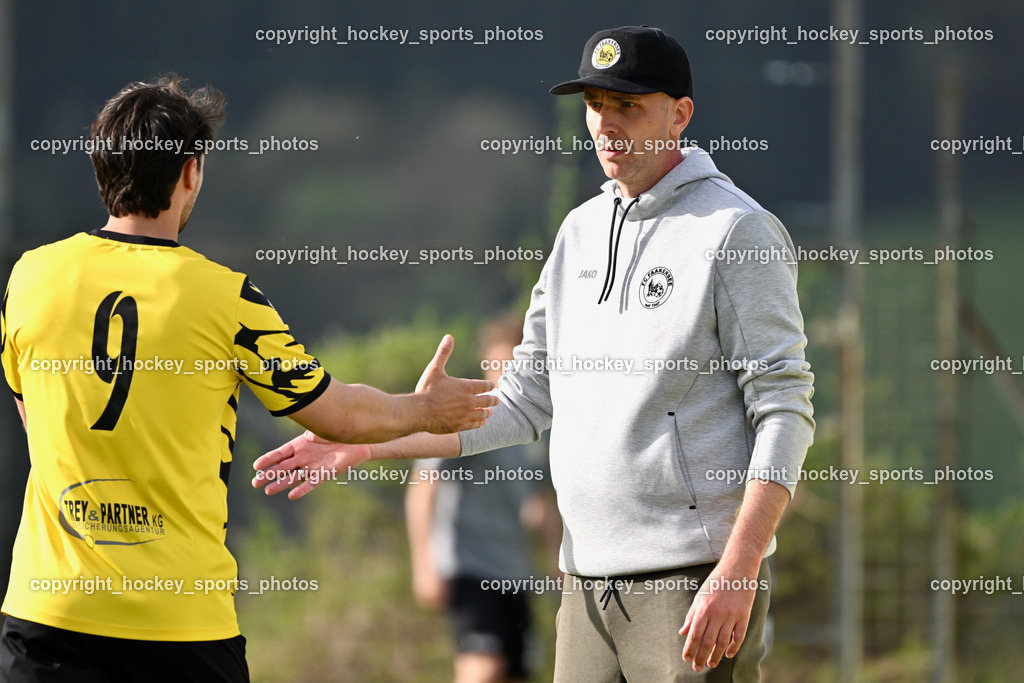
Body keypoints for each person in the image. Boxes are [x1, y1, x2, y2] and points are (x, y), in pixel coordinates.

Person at [254, 25, 815, 682]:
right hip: (584, 587)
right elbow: (522, 401)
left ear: (680, 113)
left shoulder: (736, 231)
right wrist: (370, 439)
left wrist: (740, 567)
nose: (606, 124)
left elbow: (784, 410)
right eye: (596, 105)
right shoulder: (577, 232)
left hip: (693, 583)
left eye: (628, 106)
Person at [0, 75, 496, 683]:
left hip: (49, 615)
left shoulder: (30, 277)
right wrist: (423, 409)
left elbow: (34, 418)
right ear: (190, 172)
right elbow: (334, 411)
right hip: (181, 626)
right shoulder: (227, 297)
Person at [405, 313, 561, 683]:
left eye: (509, 364)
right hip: (470, 570)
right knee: (482, 670)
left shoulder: (532, 429)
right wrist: (423, 565)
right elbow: (423, 486)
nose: (501, 373)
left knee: (515, 674)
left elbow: (539, 505)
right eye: (494, 365)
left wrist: (558, 564)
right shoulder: (469, 417)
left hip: (514, 573)